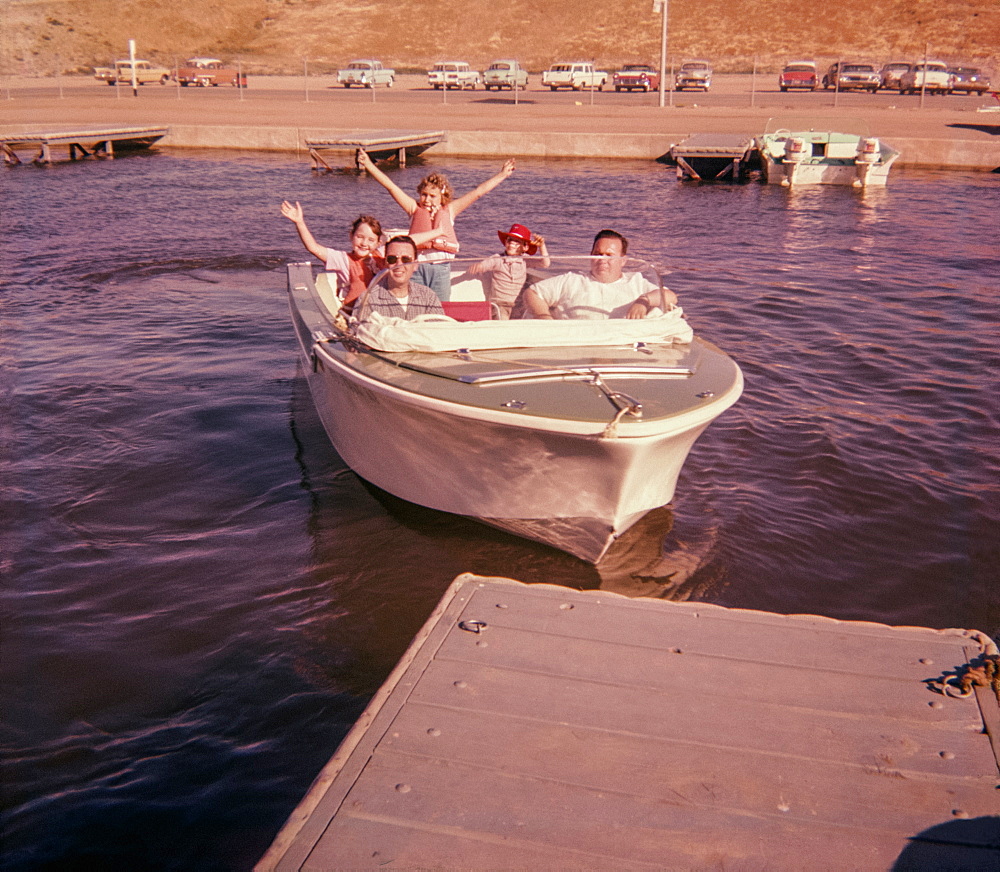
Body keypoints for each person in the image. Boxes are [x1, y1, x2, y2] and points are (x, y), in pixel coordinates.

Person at [355, 149, 516, 302]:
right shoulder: (413, 208)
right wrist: (369, 164)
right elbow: (391, 187)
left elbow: (478, 192)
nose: (427, 200)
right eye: (424, 195)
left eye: (433, 196)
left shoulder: (450, 210)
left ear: (442, 197)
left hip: (440, 269)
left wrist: (502, 175)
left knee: (440, 304)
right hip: (417, 268)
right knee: (416, 302)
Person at [522, 229, 678, 320]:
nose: (602, 259)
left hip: (623, 345)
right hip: (577, 345)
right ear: (591, 255)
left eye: (609, 255)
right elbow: (532, 293)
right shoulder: (572, 280)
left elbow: (670, 296)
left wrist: (644, 301)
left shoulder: (636, 282)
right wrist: (544, 317)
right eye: (598, 254)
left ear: (623, 261)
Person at [280, 203, 385, 314]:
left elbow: (404, 241)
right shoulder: (342, 260)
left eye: (371, 240)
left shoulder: (384, 257)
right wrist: (299, 222)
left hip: (378, 312)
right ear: (351, 236)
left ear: (379, 243)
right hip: (354, 315)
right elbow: (313, 248)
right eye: (360, 237)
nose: (364, 243)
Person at [466, 222, 549, 320]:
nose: (512, 244)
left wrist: (542, 247)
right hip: (499, 304)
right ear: (505, 243)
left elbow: (545, 263)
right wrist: (477, 267)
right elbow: (485, 264)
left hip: (517, 304)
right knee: (503, 325)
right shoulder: (498, 259)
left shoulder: (525, 260)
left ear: (525, 247)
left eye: (517, 242)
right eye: (509, 241)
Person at [355, 235, 446, 321]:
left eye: (406, 259)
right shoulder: (368, 300)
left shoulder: (428, 297)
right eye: (392, 259)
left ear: (415, 265)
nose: (399, 265)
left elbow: (439, 332)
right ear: (384, 263)